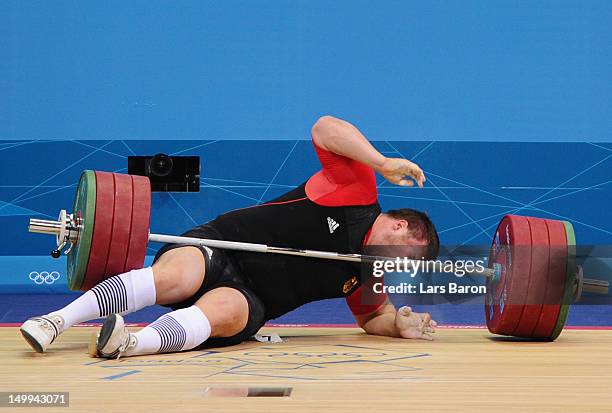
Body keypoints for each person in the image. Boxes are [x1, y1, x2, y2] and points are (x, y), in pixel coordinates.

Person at [20, 115, 440, 358]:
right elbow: (325, 127)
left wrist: (399, 326)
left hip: (250, 299)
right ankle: (55, 321)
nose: (393, 265)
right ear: (399, 226)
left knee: (226, 309)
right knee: (179, 274)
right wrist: (382, 161)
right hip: (218, 246)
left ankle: (128, 343)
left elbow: (372, 318)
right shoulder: (356, 192)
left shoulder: (370, 274)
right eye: (401, 255)